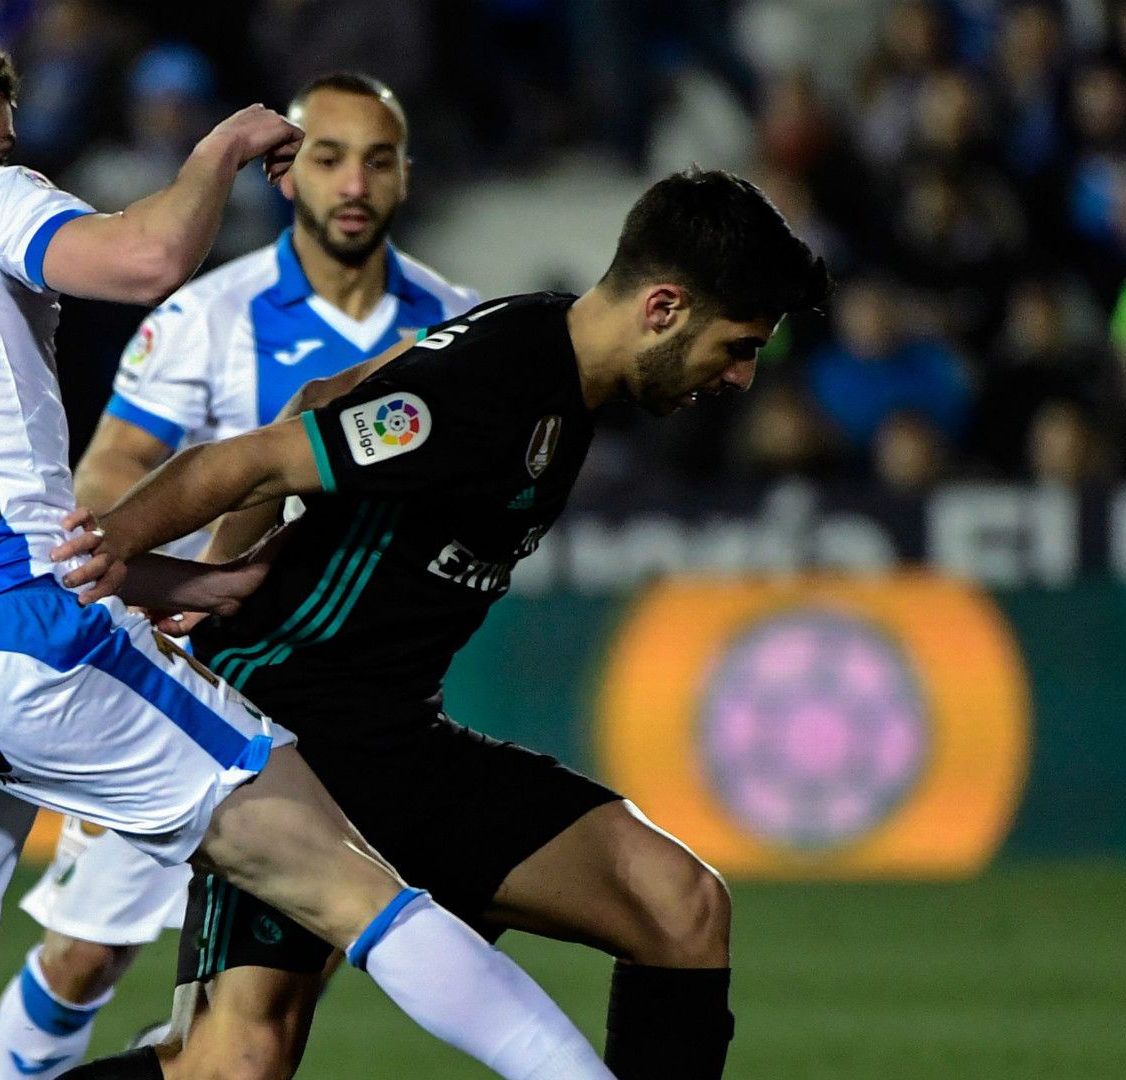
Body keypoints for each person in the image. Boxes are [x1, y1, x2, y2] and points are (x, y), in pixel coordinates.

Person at [0, 17, 613, 1080]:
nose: (10, 155)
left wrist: (192, 578)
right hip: (23, 639)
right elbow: (147, 257)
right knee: (355, 886)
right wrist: (215, 154)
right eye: (2, 135)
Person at [57, 168, 832, 1080]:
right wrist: (102, 566)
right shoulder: (495, 386)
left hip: (399, 740)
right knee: (234, 1064)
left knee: (680, 906)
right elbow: (254, 460)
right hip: (288, 734)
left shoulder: (544, 339)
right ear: (663, 306)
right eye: (737, 347)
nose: (741, 377)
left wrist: (226, 572)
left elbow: (323, 395)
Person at [0, 71, 477, 1079]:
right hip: (192, 685)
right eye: (330, 157)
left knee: (262, 1015)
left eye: (377, 160)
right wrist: (169, 586)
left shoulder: (460, 328)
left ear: (405, 177)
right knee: (85, 954)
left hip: (344, 701)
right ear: (289, 171)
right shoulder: (209, 316)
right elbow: (112, 472)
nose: (354, 182)